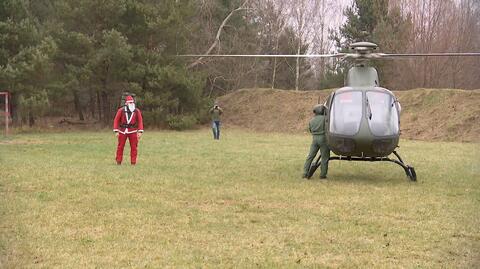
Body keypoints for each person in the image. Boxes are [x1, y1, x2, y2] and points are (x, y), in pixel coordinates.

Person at [113, 95, 144, 165]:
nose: (131, 104)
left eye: (132, 102)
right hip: (122, 131)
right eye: (129, 103)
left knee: (134, 147)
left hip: (132, 130)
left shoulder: (136, 111)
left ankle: (133, 162)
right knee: (120, 146)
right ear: (126, 103)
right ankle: (119, 161)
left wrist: (140, 131)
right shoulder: (121, 110)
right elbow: (116, 120)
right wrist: (116, 131)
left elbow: (140, 121)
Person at [303, 104, 330, 179]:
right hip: (323, 139)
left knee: (310, 156)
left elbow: (310, 130)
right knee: (325, 157)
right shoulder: (325, 119)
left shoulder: (311, 120)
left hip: (314, 139)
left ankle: (305, 173)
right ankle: (323, 175)